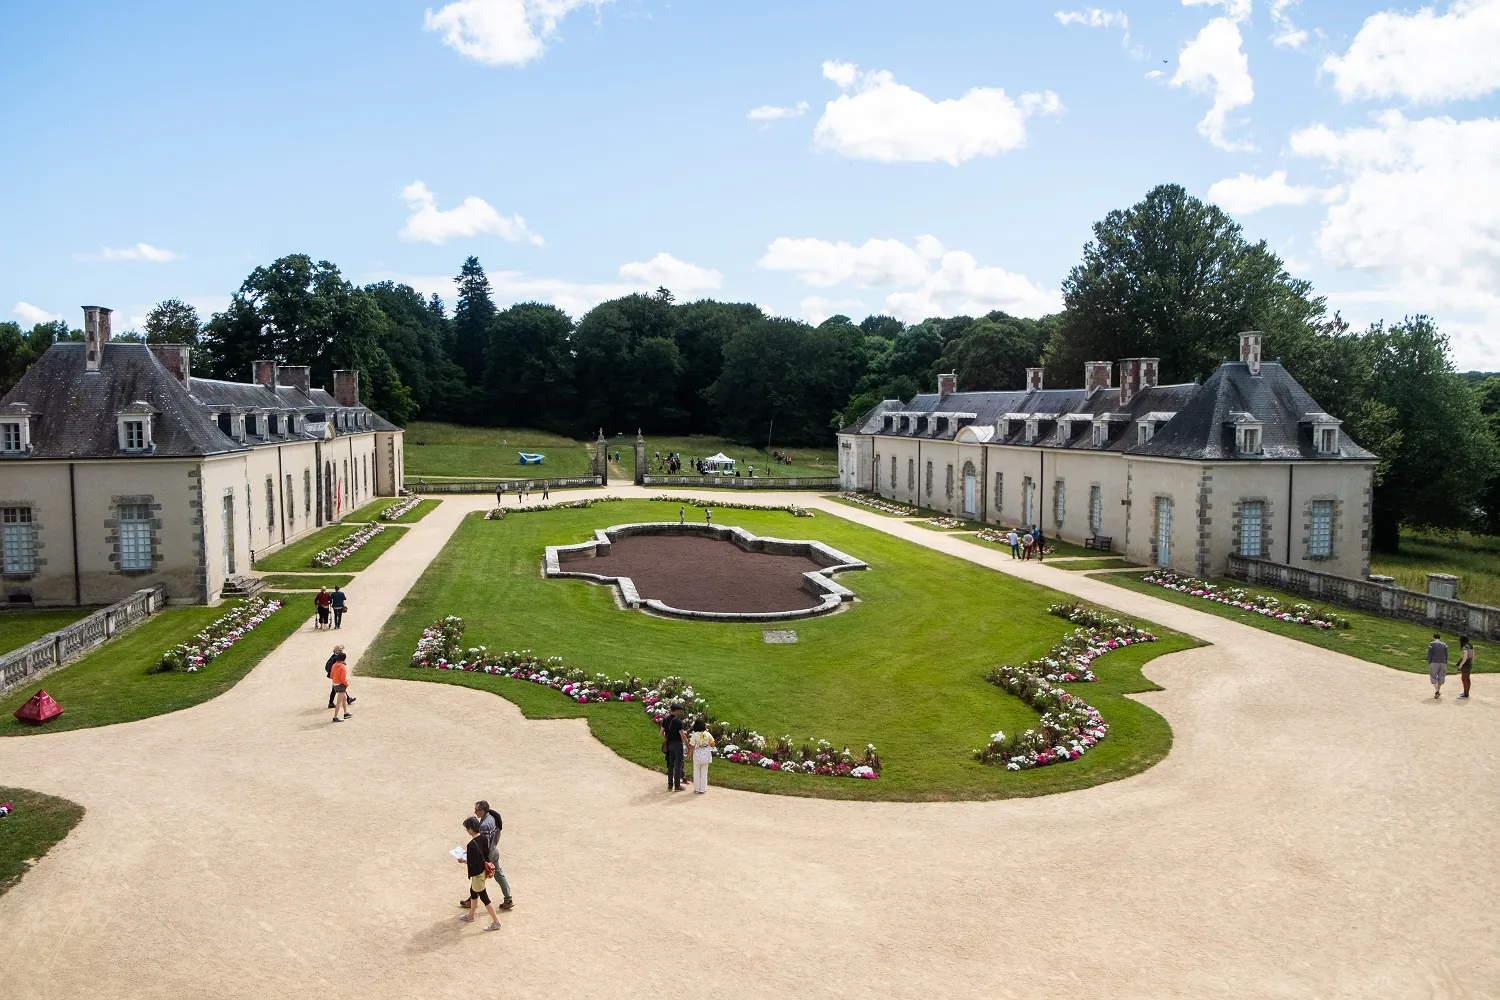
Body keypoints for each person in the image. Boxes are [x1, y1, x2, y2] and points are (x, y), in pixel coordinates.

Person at [459, 801, 514, 911]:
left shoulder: (484, 826)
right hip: (494, 851)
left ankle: (471, 900)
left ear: (483, 811)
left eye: (477, 810)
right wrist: (494, 846)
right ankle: (508, 899)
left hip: (487, 855)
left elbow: (482, 843)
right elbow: (498, 833)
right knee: (498, 874)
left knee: (477, 877)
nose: (475, 812)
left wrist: (470, 856)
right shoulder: (493, 818)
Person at [456, 816, 501, 931]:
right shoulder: (484, 838)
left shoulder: (471, 845)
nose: (467, 831)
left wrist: (463, 860)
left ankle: (496, 922)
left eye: (467, 829)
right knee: (473, 891)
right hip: (483, 872)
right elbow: (485, 855)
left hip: (477, 874)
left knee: (484, 898)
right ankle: (471, 915)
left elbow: (472, 863)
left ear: (471, 828)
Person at [661, 704, 686, 791]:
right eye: (679, 710)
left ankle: (670, 785)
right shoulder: (678, 722)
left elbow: (661, 733)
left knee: (670, 765)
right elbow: (682, 735)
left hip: (669, 744)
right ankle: (677, 786)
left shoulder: (665, 719)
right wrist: (687, 744)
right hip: (677, 745)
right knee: (678, 765)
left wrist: (667, 738)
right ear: (676, 710)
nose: (680, 712)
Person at [687, 718, 716, 794]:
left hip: (697, 753)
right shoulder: (707, 734)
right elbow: (713, 744)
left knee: (696, 771)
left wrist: (689, 755)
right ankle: (702, 789)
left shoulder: (694, 735)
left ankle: (697, 789)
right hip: (706, 752)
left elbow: (691, 746)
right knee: (704, 772)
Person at [329, 654, 351, 722]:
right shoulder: (343, 667)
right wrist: (347, 684)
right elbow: (343, 678)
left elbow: (331, 675)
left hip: (335, 684)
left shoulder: (334, 665)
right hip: (341, 685)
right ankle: (335, 717)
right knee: (339, 702)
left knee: (344, 699)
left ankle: (346, 713)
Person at [1428, 633, 1448, 699]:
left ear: (1434, 637)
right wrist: (1445, 662)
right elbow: (1446, 654)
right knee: (1441, 677)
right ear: (1439, 638)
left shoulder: (1431, 644)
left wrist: (1429, 662)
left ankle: (1437, 691)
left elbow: (1430, 654)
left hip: (1434, 662)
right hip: (1443, 662)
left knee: (1433, 676)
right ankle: (1438, 690)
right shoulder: (1444, 645)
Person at [1457, 635, 1473, 700]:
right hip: (1470, 663)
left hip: (1466, 665)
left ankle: (1465, 694)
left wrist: (1460, 665)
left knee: (1464, 679)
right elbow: (1472, 655)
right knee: (1467, 679)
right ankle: (1466, 692)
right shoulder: (1470, 645)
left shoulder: (1465, 647)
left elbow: (1465, 658)